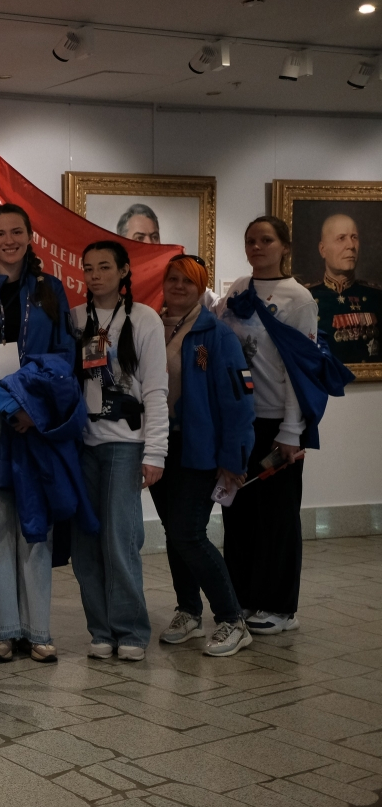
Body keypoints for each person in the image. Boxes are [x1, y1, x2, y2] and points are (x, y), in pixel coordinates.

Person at [0, 203, 74, 664]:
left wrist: (32, 408)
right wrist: (10, 406)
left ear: (30, 237)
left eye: (16, 232)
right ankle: (3, 629)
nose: (8, 240)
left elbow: (64, 354)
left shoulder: (51, 290)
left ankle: (38, 629)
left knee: (36, 519)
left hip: (36, 418)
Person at [217, 216, 318, 636]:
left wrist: (292, 432)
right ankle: (242, 595)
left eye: (266, 240)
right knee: (238, 514)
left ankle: (280, 607)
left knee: (277, 517)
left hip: (276, 422)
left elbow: (301, 371)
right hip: (239, 419)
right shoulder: (238, 289)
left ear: (285, 246)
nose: (256, 247)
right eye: (250, 241)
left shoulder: (299, 299)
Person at [151, 255, 255, 657]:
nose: (178, 286)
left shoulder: (215, 335)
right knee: (174, 533)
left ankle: (232, 619)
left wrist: (234, 459)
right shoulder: (151, 327)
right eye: (172, 279)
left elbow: (237, 402)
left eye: (188, 281)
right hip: (161, 447)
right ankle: (188, 611)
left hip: (200, 450)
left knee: (189, 533)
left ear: (201, 287)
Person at [71, 241, 169, 662]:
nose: (95, 276)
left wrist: (155, 452)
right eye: (88, 268)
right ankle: (100, 629)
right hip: (82, 445)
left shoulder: (144, 319)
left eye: (105, 267)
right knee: (85, 543)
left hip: (125, 445)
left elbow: (156, 390)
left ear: (125, 270)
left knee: (120, 540)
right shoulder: (75, 319)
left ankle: (130, 630)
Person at [305, 213, 381, 363]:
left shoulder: (377, 296)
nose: (351, 246)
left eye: (354, 237)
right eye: (341, 238)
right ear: (322, 250)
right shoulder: (305, 296)